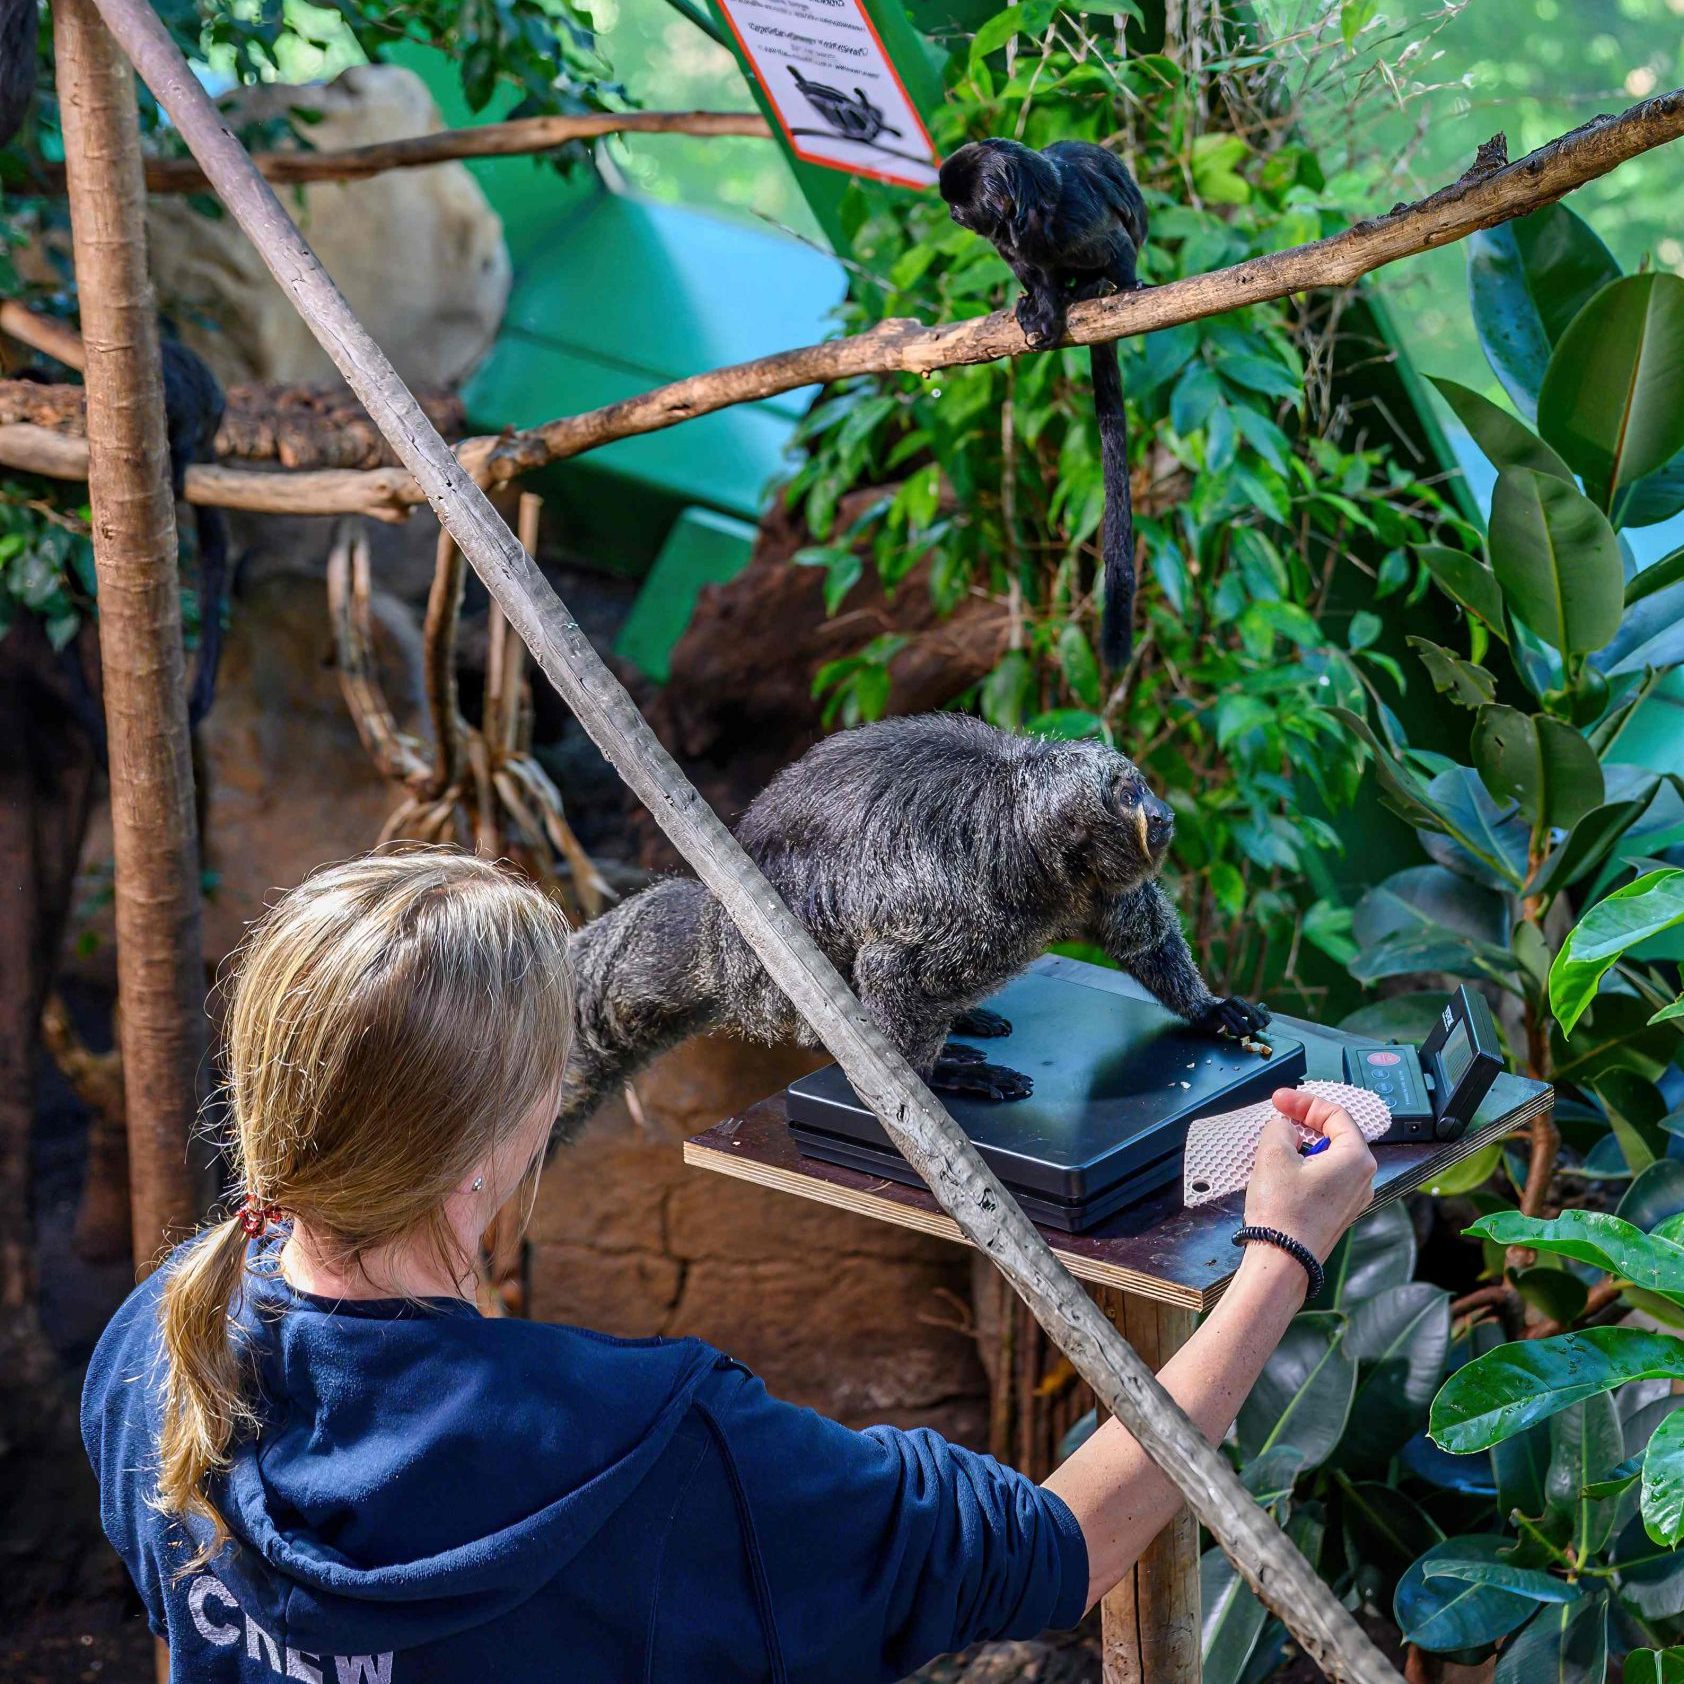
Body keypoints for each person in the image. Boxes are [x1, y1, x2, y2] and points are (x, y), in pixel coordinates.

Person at [83, 847, 1377, 1684]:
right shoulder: (647, 1448)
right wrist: (1279, 1253)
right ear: (493, 1143)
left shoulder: (150, 1345)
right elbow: (1047, 1550)